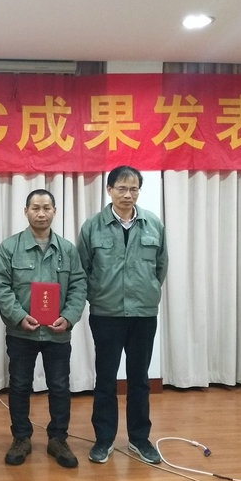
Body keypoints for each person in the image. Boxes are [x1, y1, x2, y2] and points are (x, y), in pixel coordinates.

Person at [76, 165, 168, 465]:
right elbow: (82, 269)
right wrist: (99, 295)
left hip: (143, 314)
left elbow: (160, 267)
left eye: (133, 189)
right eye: (121, 188)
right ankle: (104, 439)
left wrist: (147, 292)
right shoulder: (93, 227)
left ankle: (139, 439)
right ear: (109, 190)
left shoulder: (153, 224)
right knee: (105, 378)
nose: (128, 194)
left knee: (139, 379)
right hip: (107, 314)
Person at [0, 189, 87, 468]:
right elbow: (0, 285)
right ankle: (21, 438)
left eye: (46, 208)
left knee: (59, 386)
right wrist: (18, 316)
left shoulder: (67, 250)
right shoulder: (10, 248)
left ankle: (58, 439)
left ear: (54, 211)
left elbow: (79, 286)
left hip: (58, 332)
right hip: (22, 332)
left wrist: (68, 317)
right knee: (20, 385)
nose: (41, 213)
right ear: (26, 211)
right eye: (35, 208)